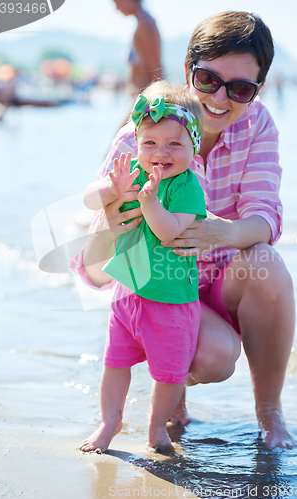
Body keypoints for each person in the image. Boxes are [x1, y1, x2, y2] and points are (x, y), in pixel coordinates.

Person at [71, 11, 297, 449]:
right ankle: (170, 406)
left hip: (220, 281)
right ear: (188, 72)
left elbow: (265, 216)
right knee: (208, 355)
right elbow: (95, 263)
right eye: (208, 79)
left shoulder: (259, 125)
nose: (220, 98)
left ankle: (270, 413)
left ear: (257, 91)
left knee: (267, 265)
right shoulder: (144, 135)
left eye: (240, 89)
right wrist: (111, 217)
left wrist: (223, 232)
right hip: (157, 284)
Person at [79, 82, 207, 453]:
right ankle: (110, 422)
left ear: (193, 148)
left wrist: (150, 201)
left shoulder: (187, 187)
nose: (160, 154)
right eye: (150, 143)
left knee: (168, 374)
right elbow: (89, 199)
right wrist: (109, 189)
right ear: (136, 143)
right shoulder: (131, 171)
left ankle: (156, 428)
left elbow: (168, 231)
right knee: (114, 363)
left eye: (174, 144)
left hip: (170, 301)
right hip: (127, 293)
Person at [113, 0, 163, 98]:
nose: (117, 8)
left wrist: (162, 95)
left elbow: (155, 64)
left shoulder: (146, 24)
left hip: (144, 97)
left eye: (117, 2)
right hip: (140, 95)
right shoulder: (142, 21)